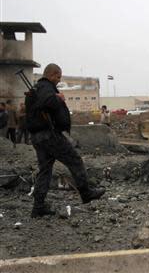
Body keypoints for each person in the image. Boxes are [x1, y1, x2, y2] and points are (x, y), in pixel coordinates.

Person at [27, 63, 105, 218]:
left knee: (45, 170)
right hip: (49, 136)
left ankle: (38, 207)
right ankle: (86, 193)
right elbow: (47, 102)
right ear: (52, 75)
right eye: (58, 77)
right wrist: (58, 98)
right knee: (75, 160)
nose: (58, 80)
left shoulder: (36, 89)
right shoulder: (45, 88)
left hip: (37, 137)